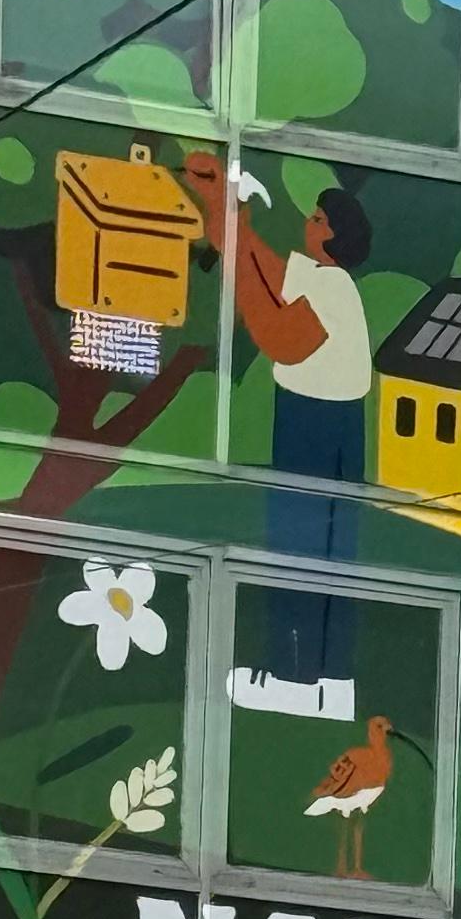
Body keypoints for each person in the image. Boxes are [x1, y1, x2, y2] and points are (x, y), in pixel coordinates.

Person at [188, 158, 373, 710]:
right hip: (328, 421)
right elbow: (261, 267)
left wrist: (231, 222)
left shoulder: (333, 290)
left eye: (317, 219)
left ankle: (294, 680)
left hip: (315, 422)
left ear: (335, 238)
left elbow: (277, 336)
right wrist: (228, 213)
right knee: (326, 553)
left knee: (299, 546)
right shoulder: (322, 279)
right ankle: (329, 683)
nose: (307, 224)